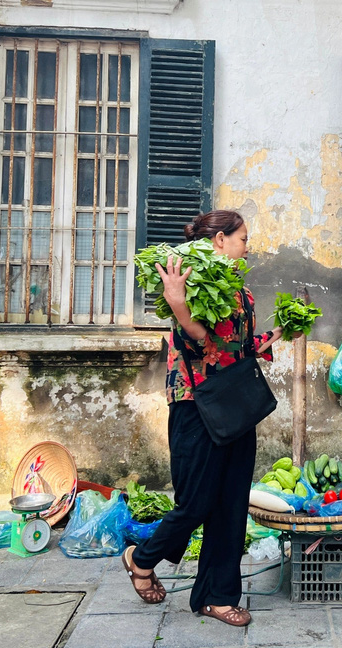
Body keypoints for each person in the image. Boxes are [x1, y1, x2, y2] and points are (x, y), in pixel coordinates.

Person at [121, 209, 291, 627]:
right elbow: (199, 340)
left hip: (236, 405)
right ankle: (141, 559)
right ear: (220, 241)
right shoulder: (190, 281)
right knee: (195, 502)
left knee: (231, 505)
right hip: (195, 405)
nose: (247, 247)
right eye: (243, 238)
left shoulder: (241, 293)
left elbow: (239, 344)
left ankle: (216, 596)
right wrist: (178, 303)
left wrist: (281, 332)